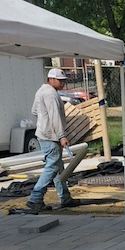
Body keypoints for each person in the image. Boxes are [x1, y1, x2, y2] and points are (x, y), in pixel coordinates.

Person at [26, 68, 80, 213]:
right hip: (51, 136)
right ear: (51, 79)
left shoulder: (41, 91)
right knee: (52, 167)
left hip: (45, 134)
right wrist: (61, 136)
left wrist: (44, 122)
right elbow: (55, 116)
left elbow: (34, 111)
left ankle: (65, 198)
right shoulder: (51, 94)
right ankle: (35, 198)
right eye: (60, 80)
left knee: (57, 168)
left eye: (64, 81)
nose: (63, 83)